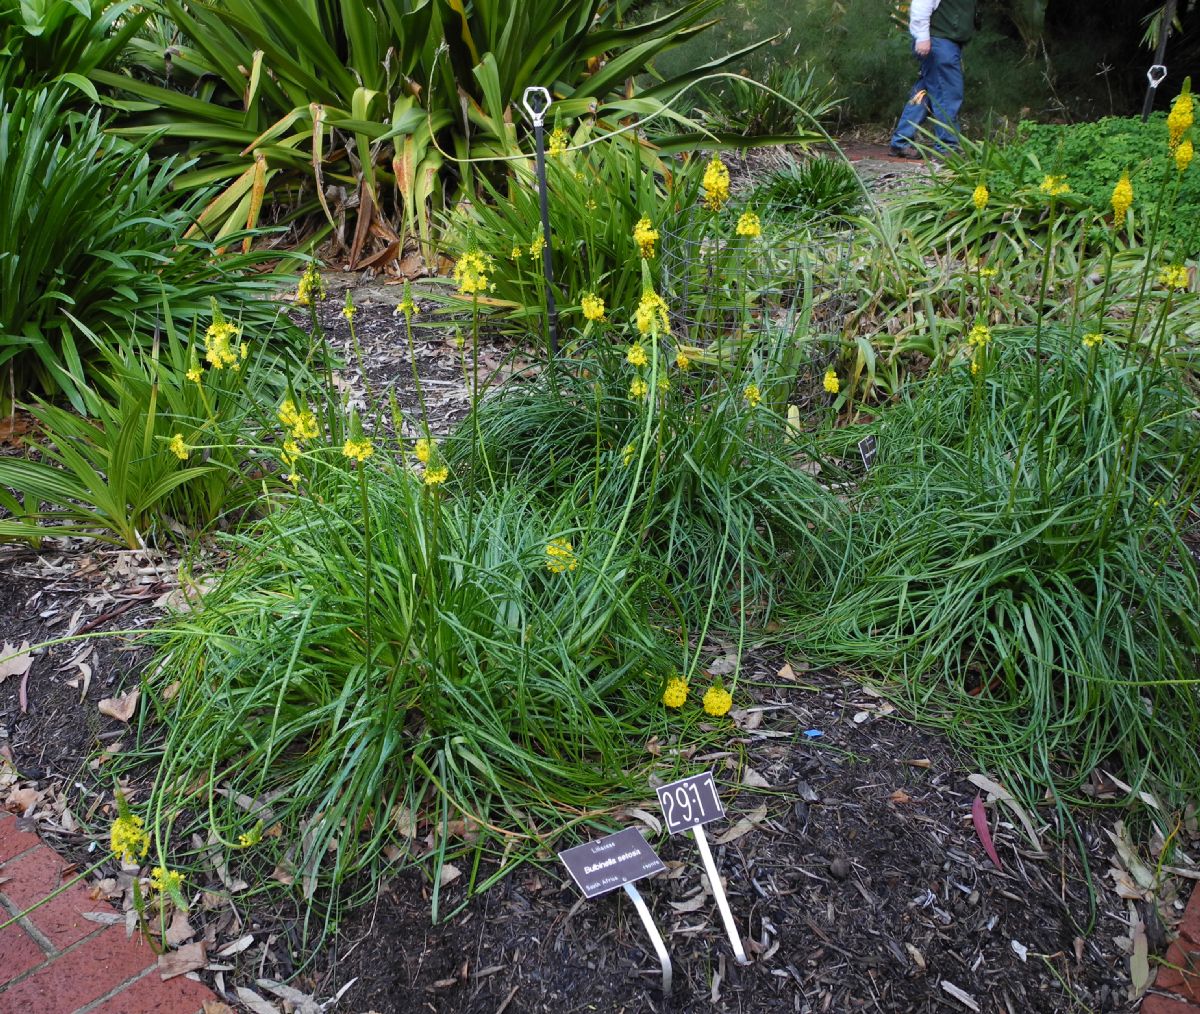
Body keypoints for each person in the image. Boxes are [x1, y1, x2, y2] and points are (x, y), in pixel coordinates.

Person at [889, 0, 978, 159]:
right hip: (938, 42)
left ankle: (901, 141)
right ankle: (947, 148)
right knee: (948, 94)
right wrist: (922, 37)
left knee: (926, 92)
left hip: (945, 42)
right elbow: (921, 4)